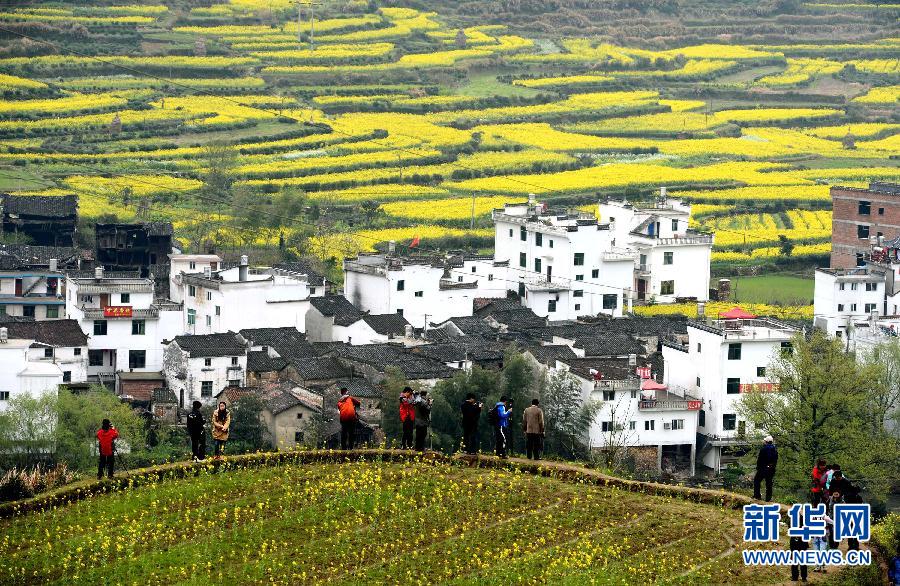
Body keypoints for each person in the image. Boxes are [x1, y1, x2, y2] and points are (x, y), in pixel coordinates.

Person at [753, 435, 777, 501]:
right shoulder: (775, 450)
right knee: (769, 483)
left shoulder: (763, 449)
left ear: (766, 442)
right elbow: (775, 461)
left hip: (763, 469)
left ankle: (757, 496)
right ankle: (768, 498)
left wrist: (758, 468)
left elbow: (760, 460)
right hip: (771, 469)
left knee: (757, 481)